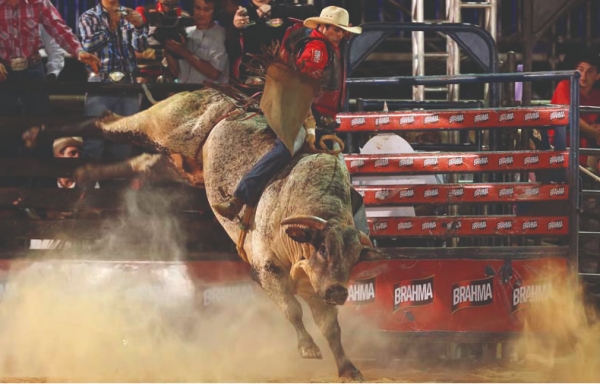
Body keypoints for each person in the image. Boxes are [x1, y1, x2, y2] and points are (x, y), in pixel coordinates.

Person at [213, 6, 361, 219]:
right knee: (285, 149)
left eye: (341, 30)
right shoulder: (318, 50)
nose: (340, 34)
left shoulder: (325, 47)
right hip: (309, 115)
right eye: (335, 29)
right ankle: (240, 198)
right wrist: (309, 126)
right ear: (322, 27)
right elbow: (304, 90)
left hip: (320, 119)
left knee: (336, 173)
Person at [0, 0, 99, 117]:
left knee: (39, 118)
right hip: (3, 72)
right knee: (5, 122)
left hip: (32, 68)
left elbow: (59, 28)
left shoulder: (39, 2)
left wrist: (79, 51)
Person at [78, 0, 149, 162]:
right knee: (93, 143)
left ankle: (118, 186)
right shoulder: (88, 17)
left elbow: (141, 47)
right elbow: (88, 46)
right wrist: (110, 26)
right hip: (100, 84)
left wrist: (139, 27)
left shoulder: (128, 14)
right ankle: (87, 187)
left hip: (128, 85)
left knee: (124, 145)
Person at [29, 137, 98, 250]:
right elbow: (29, 208)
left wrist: (80, 213)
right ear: (59, 156)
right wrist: (47, 213)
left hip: (76, 242)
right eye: (72, 153)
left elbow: (95, 210)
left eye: (79, 153)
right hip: (47, 242)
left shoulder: (89, 183)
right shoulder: (42, 182)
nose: (77, 157)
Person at [226, 0, 318, 84]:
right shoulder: (241, 13)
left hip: (283, 77)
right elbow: (230, 50)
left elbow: (314, 13)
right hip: (250, 79)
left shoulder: (283, 6)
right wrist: (234, 28)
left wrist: (274, 10)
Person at [547, 50, 600, 167]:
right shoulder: (564, 85)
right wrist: (595, 132)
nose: (584, 75)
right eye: (580, 70)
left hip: (587, 151)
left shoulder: (597, 95)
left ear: (598, 76)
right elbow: (569, 116)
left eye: (590, 71)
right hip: (559, 151)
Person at [165, 0, 229, 84]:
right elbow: (176, 72)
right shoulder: (186, 32)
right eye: (197, 8)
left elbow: (214, 74)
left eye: (206, 9)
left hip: (209, 93)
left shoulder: (220, 34)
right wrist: (168, 47)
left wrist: (184, 52)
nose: (201, 13)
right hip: (183, 90)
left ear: (215, 11)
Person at [134, 0, 190, 83]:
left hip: (172, 70)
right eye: (166, 4)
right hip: (145, 71)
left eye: (174, 4)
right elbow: (133, 51)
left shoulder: (183, 16)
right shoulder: (143, 13)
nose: (170, 8)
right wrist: (163, 53)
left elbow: (188, 49)